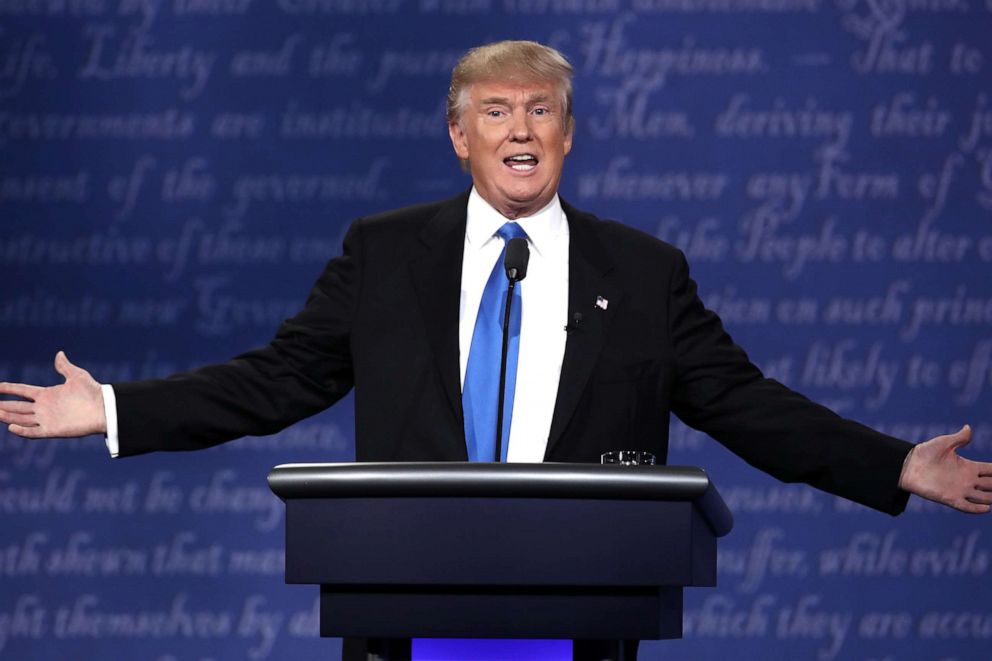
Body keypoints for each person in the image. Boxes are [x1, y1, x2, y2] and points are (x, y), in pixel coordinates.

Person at [0, 38, 990, 658]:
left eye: (540, 109)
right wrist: (115, 409)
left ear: (568, 135)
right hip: (401, 600)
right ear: (457, 136)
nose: (519, 128)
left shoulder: (643, 271)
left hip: (585, 608)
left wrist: (892, 465)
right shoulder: (384, 253)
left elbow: (738, 399)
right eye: (495, 110)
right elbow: (280, 376)